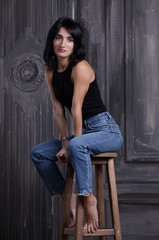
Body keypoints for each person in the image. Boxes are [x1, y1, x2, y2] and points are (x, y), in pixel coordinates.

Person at [30, 17, 123, 233]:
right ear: (52, 41)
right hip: (85, 133)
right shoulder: (50, 71)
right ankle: (69, 198)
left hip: (105, 130)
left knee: (76, 146)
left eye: (70, 39)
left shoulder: (80, 67)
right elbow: (57, 110)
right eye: (59, 37)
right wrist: (64, 144)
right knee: (39, 153)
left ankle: (88, 199)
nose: (63, 44)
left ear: (76, 44)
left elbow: (76, 108)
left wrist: (72, 144)